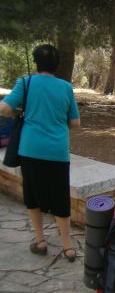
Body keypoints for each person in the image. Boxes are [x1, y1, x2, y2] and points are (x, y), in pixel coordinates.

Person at [0, 44, 81, 261]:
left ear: (36, 63)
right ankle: (68, 247)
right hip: (58, 152)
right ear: (57, 65)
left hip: (30, 149)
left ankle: (40, 241)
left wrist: (23, 111)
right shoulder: (66, 87)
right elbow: (75, 122)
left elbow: (5, 109)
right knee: (60, 197)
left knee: (32, 195)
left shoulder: (25, 83)